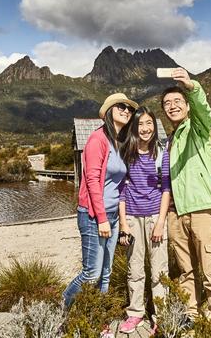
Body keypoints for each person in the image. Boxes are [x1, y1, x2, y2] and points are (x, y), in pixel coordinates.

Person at [160, 68, 211, 320]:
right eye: (167, 103)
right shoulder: (168, 141)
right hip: (176, 213)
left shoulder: (198, 129)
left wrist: (192, 87)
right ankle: (190, 313)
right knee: (185, 268)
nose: (172, 106)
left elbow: (204, 110)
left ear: (187, 107)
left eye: (177, 102)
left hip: (201, 208)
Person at [62, 93, 138, 310]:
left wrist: (120, 221)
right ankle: (62, 307)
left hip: (112, 217)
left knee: (106, 272)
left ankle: (97, 314)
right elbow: (92, 181)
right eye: (121, 106)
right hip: (94, 216)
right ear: (109, 111)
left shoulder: (120, 142)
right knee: (91, 273)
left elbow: (121, 185)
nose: (126, 110)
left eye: (129, 108)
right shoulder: (98, 139)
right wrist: (102, 219)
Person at [117, 107, 171, 334]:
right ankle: (136, 313)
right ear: (134, 127)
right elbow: (121, 191)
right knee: (135, 268)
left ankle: (161, 315)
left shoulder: (161, 153)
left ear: (154, 126)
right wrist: (123, 224)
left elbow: (166, 189)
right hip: (132, 218)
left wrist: (160, 222)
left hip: (154, 217)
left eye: (149, 124)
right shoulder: (126, 153)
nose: (146, 129)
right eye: (141, 124)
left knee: (159, 269)